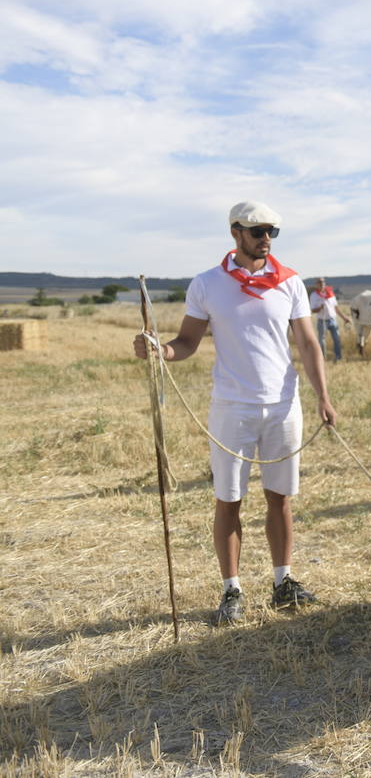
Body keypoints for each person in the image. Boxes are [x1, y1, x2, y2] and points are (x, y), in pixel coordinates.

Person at [132, 201, 337, 625]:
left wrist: (323, 397)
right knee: (229, 500)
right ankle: (232, 590)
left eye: (272, 232)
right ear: (235, 232)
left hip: (283, 405)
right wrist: (161, 350)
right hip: (231, 407)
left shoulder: (290, 282)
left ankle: (283, 582)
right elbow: (187, 341)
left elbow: (308, 344)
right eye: (258, 230)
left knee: (280, 498)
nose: (266, 238)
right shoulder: (207, 284)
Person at [309, 277, 348, 361]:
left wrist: (344, 318)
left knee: (337, 339)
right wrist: (320, 308)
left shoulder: (330, 294)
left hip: (332, 319)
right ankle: (322, 358)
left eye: (323, 282)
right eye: (319, 282)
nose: (322, 284)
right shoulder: (314, 295)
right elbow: (313, 310)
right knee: (322, 340)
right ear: (316, 285)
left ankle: (338, 357)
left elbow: (336, 308)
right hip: (321, 320)